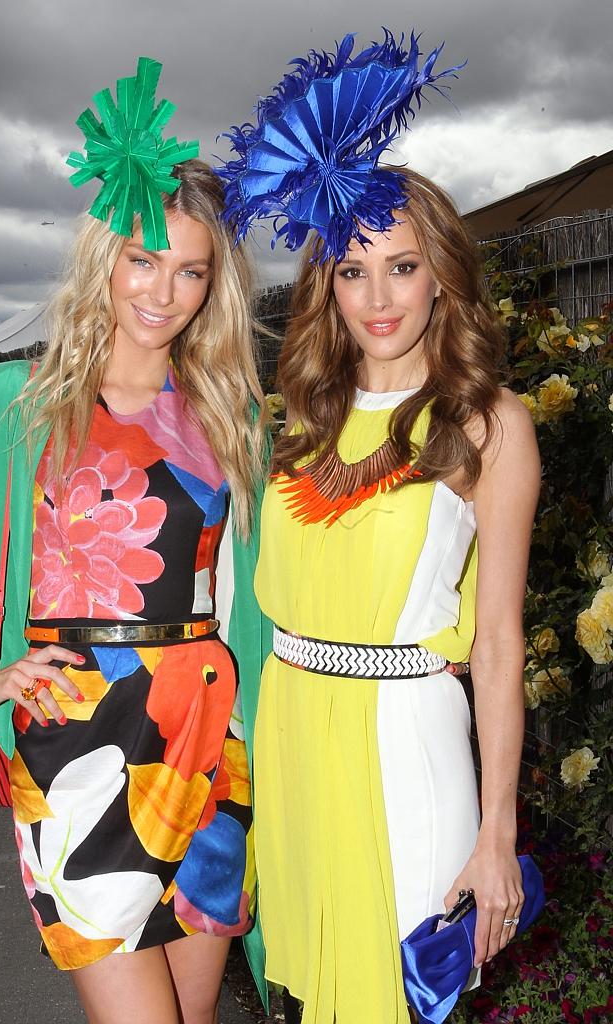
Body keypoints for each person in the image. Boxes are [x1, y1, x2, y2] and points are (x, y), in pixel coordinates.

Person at [0, 59, 268, 1024]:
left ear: (214, 283)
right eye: (143, 258)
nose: (164, 290)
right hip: (73, 750)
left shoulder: (230, 412)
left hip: (206, 742)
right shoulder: (9, 405)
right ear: (104, 259)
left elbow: (259, 580)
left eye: (191, 269)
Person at [220, 35, 541, 1023]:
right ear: (326, 285)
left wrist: (496, 831)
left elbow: (495, 646)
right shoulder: (301, 414)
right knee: (308, 990)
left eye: (401, 267)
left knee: (398, 999)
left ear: (441, 274)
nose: (378, 298)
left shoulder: (491, 422)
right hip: (292, 737)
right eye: (352, 272)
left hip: (409, 749)